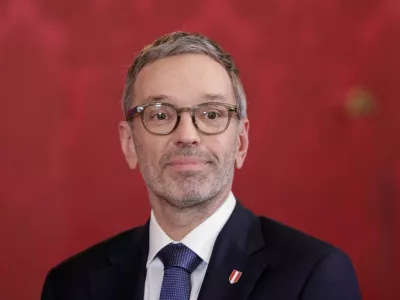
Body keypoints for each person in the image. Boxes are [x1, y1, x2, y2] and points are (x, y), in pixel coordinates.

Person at [41, 31, 361, 300]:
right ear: (129, 143)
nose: (187, 136)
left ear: (241, 141)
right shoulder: (71, 285)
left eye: (211, 114)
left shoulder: (313, 274)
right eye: (161, 114)